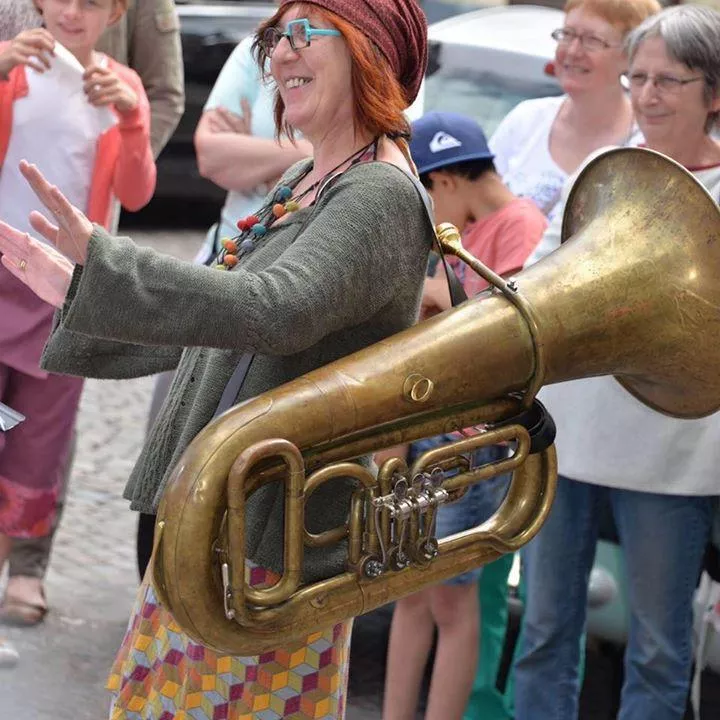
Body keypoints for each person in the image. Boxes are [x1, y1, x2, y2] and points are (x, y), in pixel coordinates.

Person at [0, 0, 433, 716]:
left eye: (304, 35)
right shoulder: (307, 180)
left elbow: (271, 307)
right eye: (275, 38)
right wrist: (79, 291)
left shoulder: (381, 192)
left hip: (271, 545)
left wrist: (103, 266)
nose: (281, 55)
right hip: (228, 521)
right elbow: (220, 318)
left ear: (371, 51)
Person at [513, 6, 720, 719]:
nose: (648, 95)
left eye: (670, 80)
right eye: (638, 78)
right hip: (568, 442)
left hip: (676, 456)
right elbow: (539, 277)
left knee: (660, 649)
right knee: (542, 634)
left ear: (714, 93)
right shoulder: (605, 171)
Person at [1, 0, 183, 627]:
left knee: (34, 449)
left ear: (118, 11)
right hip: (0, 272)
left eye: (92, 2)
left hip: (64, 293)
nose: (73, 12)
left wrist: (132, 118)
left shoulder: (120, 84)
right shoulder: (14, 63)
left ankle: (18, 572)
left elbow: (135, 192)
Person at [134, 8, 313, 578]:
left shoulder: (374, 60)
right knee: (172, 444)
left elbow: (369, 167)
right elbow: (211, 155)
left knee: (250, 464)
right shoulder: (261, 48)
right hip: (223, 262)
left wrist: (261, 161)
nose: (285, 50)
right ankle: (160, 590)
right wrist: (308, 161)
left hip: (295, 284)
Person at [382, 112, 547, 720]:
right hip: (433, 431)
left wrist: (438, 301)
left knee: (452, 605)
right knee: (409, 594)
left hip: (475, 442)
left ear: (446, 179)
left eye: (425, 195)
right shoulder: (463, 226)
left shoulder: (521, 225)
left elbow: (510, 330)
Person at [490, 0, 662, 223]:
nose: (572, 51)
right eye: (567, 34)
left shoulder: (645, 144)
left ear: (630, 54)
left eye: (592, 40)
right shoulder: (526, 120)